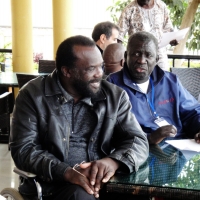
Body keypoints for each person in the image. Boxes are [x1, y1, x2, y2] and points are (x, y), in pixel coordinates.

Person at [10, 35, 149, 200]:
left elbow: (137, 140)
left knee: (141, 194)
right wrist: (66, 172)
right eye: (91, 69)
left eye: (101, 66)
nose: (100, 74)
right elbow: (23, 149)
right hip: (51, 185)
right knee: (81, 195)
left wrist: (112, 162)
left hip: (103, 181)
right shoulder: (32, 95)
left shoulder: (114, 96)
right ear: (67, 71)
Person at [107, 31, 200, 145]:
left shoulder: (170, 81)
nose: (141, 60)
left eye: (148, 55)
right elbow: (111, 130)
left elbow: (192, 112)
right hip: (139, 150)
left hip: (179, 146)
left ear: (156, 59)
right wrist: (150, 138)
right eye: (136, 54)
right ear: (126, 56)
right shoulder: (112, 85)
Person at [117, 0, 178, 70]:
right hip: (139, 58)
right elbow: (119, 37)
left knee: (162, 79)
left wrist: (173, 39)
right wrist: (121, 58)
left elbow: (168, 30)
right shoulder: (129, 9)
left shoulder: (161, 6)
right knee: (140, 80)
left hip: (160, 57)